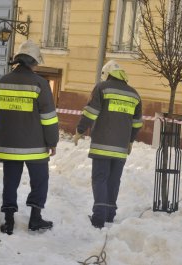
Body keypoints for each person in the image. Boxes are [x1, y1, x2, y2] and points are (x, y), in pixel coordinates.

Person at [0, 40, 59, 235]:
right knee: (40, 180)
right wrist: (52, 142)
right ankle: (35, 218)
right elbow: (48, 118)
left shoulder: (0, 83)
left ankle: (9, 220)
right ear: (33, 62)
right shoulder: (41, 84)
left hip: (8, 145)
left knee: (10, 181)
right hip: (35, 147)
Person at [73, 60, 143, 228]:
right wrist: (130, 141)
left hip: (102, 145)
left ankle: (98, 217)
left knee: (100, 179)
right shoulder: (134, 94)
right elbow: (137, 123)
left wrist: (80, 130)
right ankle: (110, 215)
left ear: (107, 74)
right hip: (121, 148)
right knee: (114, 180)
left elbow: (91, 111)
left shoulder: (102, 88)